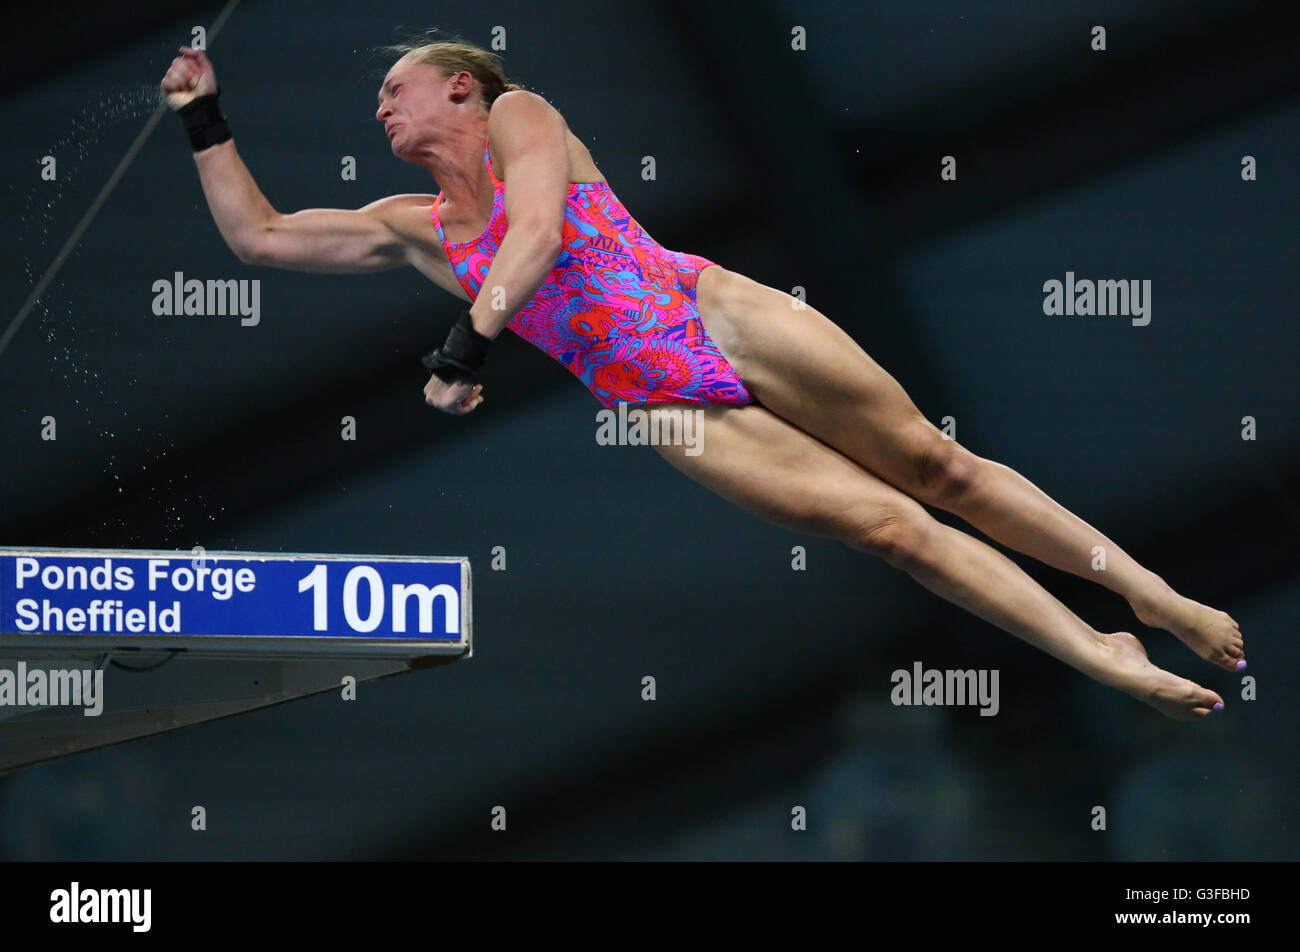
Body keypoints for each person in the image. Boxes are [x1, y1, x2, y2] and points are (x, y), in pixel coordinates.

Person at [160, 37, 1245, 720]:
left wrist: (467, 345)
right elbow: (261, 239)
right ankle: (1094, 650)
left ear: (461, 87)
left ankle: (1141, 587)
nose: (381, 112)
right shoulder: (411, 229)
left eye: (397, 92)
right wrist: (204, 118)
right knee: (891, 531)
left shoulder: (522, 115)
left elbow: (536, 231)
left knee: (932, 464)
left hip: (707, 309)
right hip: (658, 405)